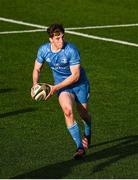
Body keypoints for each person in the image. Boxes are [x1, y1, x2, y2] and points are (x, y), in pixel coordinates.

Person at [31, 23, 92, 159]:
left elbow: (75, 76)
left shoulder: (71, 50)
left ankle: (87, 132)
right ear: (51, 39)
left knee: (83, 114)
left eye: (62, 37)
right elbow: (37, 69)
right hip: (63, 86)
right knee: (68, 111)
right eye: (57, 38)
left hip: (80, 84)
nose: (61, 41)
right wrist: (35, 85)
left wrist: (54, 88)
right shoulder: (43, 50)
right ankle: (79, 147)